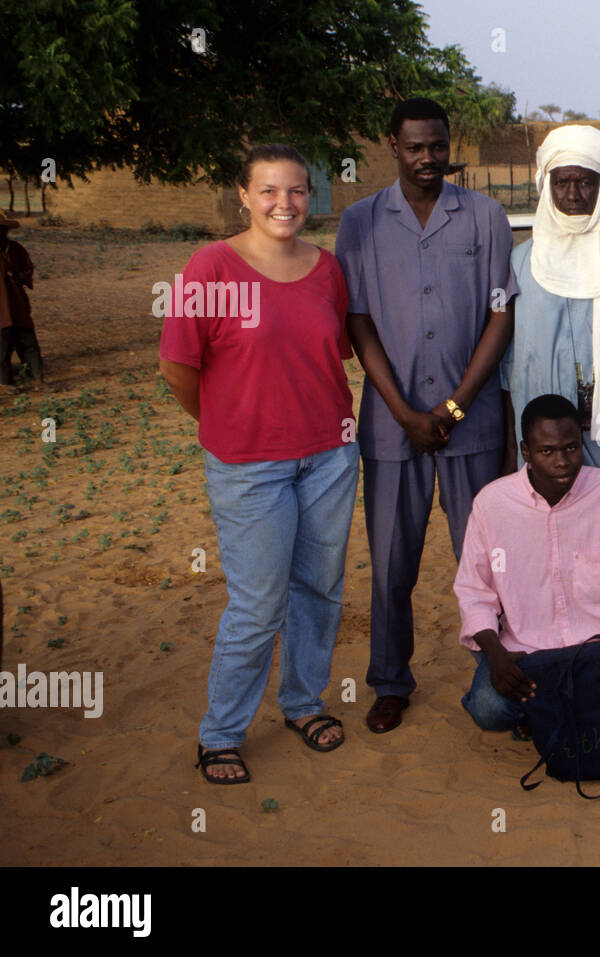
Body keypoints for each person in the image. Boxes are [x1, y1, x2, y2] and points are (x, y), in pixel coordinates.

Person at [159, 144, 359, 784]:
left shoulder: (327, 270)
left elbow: (338, 353)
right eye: (269, 191)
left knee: (320, 589)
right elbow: (178, 367)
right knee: (256, 604)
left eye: (297, 191)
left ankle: (302, 703)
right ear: (243, 196)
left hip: (329, 455)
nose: (285, 203)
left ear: (311, 197)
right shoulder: (210, 268)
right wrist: (225, 423)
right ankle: (220, 733)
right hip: (249, 467)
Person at [335, 98, 517, 734]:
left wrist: (456, 403)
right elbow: (357, 319)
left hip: (474, 422)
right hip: (393, 426)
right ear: (393, 145)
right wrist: (404, 411)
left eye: (436, 145)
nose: (427, 158)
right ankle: (390, 680)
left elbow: (501, 313)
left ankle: (503, 671)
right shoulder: (359, 222)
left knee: (489, 559)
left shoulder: (487, 217)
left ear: (448, 143)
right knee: (391, 562)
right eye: (414, 147)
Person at [455, 394, 600, 733]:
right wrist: (496, 657)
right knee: (488, 709)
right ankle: (589, 706)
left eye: (570, 448)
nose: (562, 462)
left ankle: (555, 710)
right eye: (547, 451)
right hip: (528, 651)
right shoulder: (492, 505)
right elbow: (474, 593)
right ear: (526, 452)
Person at [501, 125, 600, 503]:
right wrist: (511, 453)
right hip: (542, 452)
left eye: (585, 183)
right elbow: (509, 373)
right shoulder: (522, 263)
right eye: (562, 182)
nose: (572, 195)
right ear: (546, 186)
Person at [0, 214, 44, 389]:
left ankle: (38, 379)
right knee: (2, 348)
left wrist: (20, 276)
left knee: (29, 342)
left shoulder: (16, 249)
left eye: (3, 229)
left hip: (16, 303)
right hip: (1, 309)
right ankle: (4, 384)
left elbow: (28, 268)